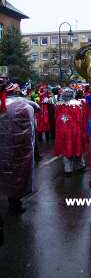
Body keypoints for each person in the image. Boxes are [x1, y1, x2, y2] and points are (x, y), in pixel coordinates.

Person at [0, 79, 39, 213]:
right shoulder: (23, 105)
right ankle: (15, 203)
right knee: (16, 173)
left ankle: (12, 203)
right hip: (18, 147)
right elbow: (35, 112)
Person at [55, 88, 87, 176]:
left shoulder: (59, 106)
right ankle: (80, 165)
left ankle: (68, 169)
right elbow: (83, 118)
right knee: (77, 148)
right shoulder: (79, 105)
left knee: (66, 150)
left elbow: (56, 118)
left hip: (64, 132)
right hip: (75, 131)